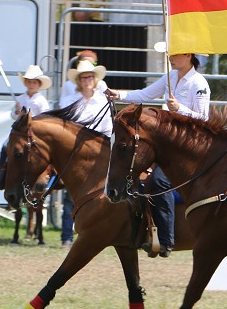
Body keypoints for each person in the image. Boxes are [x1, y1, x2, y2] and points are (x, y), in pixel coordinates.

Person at [105, 44, 210, 257]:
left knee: (160, 181)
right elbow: (145, 94)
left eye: (175, 53)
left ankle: (167, 239)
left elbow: (204, 119)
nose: (170, 57)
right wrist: (119, 94)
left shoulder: (199, 83)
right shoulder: (170, 76)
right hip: (169, 145)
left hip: (188, 146)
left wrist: (180, 109)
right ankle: (141, 231)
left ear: (188, 54)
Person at [58, 59, 114, 247]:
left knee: (102, 192)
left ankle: (100, 231)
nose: (87, 80)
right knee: (71, 195)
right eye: (83, 77)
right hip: (76, 151)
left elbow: (108, 125)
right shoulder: (69, 100)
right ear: (79, 80)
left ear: (94, 79)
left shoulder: (102, 99)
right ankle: (67, 235)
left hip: (99, 149)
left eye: (90, 76)